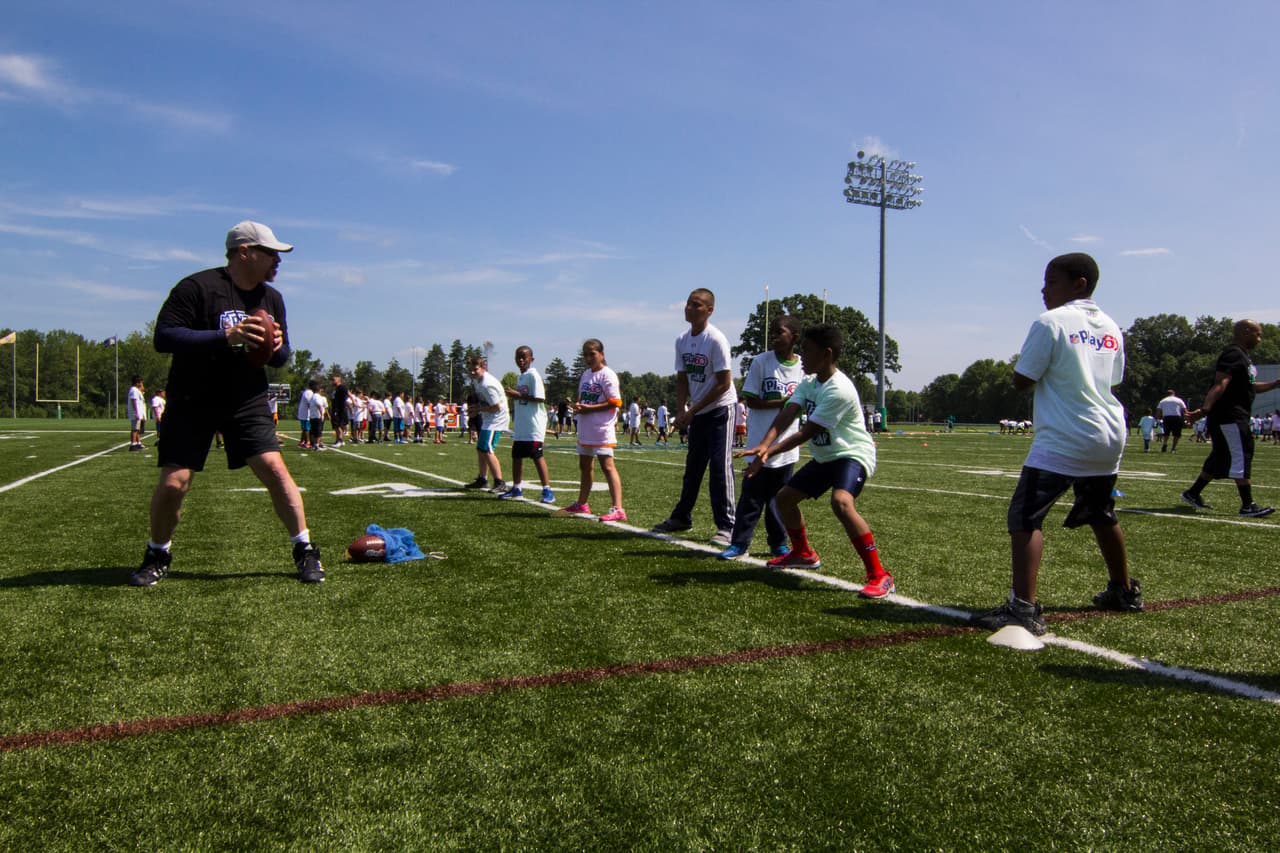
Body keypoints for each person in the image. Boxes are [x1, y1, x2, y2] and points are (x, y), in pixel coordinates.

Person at [131, 220, 323, 586]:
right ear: (244, 252)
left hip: (245, 398)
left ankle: (306, 549)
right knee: (174, 483)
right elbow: (164, 336)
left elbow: (282, 359)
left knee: (276, 470)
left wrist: (277, 347)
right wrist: (227, 336)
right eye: (271, 254)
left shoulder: (272, 299)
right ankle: (158, 551)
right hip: (193, 396)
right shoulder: (197, 287)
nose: (277, 262)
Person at [973, 253, 1139, 635]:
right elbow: (1112, 379)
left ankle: (1023, 607)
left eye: (1051, 281)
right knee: (1101, 512)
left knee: (1025, 516)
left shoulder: (1050, 322)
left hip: (1066, 434)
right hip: (1109, 431)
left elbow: (1021, 379)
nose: (1043, 289)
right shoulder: (1112, 326)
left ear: (1078, 283)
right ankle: (1122, 590)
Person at [738, 323, 894, 598]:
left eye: (807, 351)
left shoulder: (839, 390)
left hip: (851, 454)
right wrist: (763, 445)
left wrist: (769, 452)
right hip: (826, 457)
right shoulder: (810, 382)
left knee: (841, 503)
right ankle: (803, 553)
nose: (802, 356)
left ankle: (880, 575)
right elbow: (788, 413)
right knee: (784, 499)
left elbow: (806, 432)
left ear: (826, 354)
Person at [651, 289, 737, 545]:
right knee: (693, 468)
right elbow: (681, 378)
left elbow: (723, 383)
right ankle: (681, 517)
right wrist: (681, 409)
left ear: (709, 310)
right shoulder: (681, 340)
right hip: (698, 411)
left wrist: (693, 410)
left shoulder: (716, 340)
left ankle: (728, 525)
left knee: (720, 468)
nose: (689, 308)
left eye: (696, 305)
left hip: (721, 409)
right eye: (688, 303)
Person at [720, 315, 805, 561]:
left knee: (779, 500)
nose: (774, 337)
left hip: (786, 447)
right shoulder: (761, 362)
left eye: (780, 332)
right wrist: (785, 403)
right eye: (772, 333)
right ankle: (739, 543)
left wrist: (795, 406)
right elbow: (752, 400)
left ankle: (778, 543)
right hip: (759, 442)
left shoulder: (803, 368)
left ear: (794, 338)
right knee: (751, 498)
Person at [1180, 319, 1280, 518]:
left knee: (1221, 456)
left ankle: (1192, 493)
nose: (1259, 339)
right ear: (1244, 332)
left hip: (1231, 415)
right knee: (1241, 453)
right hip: (1230, 416)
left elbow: (1249, 387)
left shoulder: (1244, 357)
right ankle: (1247, 505)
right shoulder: (1233, 354)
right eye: (1257, 334)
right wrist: (1204, 409)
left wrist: (1276, 383)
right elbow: (1220, 383)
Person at [563, 338, 625, 521]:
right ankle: (582, 504)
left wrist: (589, 408)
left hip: (601, 428)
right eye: (585, 354)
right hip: (586, 427)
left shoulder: (607, 375)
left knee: (607, 466)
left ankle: (618, 508)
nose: (589, 358)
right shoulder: (586, 374)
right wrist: (579, 406)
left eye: (593, 354)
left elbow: (615, 402)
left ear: (601, 354)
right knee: (584, 466)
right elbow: (584, 398)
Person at [500, 345, 555, 503]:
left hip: (533, 424)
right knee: (516, 456)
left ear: (532, 359)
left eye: (524, 357)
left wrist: (516, 395)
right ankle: (517, 487)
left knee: (537, 456)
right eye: (518, 357)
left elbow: (539, 398)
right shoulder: (521, 377)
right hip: (522, 425)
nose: (521, 360)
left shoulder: (533, 375)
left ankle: (547, 490)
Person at [465, 355, 509, 493]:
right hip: (489, 418)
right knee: (480, 448)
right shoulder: (477, 381)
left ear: (483, 368)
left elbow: (496, 406)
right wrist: (476, 409)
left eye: (475, 369)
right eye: (470, 369)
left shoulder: (487, 384)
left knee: (487, 449)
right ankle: (482, 479)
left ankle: (500, 482)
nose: (472, 372)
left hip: (497, 419)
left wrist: (478, 409)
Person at [1157, 389, 1187, 453]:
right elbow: (1184, 410)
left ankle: (1165, 443)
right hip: (1176, 417)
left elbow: (1158, 410)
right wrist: (1186, 419)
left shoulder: (1163, 400)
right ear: (1174, 393)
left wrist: (1158, 418)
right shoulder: (1179, 400)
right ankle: (1173, 448)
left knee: (1166, 433)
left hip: (1166, 417)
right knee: (1176, 434)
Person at [127, 375, 147, 451]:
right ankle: (133, 444)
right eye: (141, 382)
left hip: (139, 412)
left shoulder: (137, 390)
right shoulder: (134, 390)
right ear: (137, 383)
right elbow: (134, 401)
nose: (142, 384)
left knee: (137, 429)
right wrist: (136, 412)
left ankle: (137, 443)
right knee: (134, 429)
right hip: (136, 412)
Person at [330, 375, 350, 447]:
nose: (332, 381)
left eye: (334, 379)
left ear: (339, 380)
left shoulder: (342, 387)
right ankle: (337, 440)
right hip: (335, 408)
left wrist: (354, 402)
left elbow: (348, 394)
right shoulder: (336, 389)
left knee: (338, 425)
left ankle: (340, 441)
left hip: (339, 409)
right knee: (336, 426)